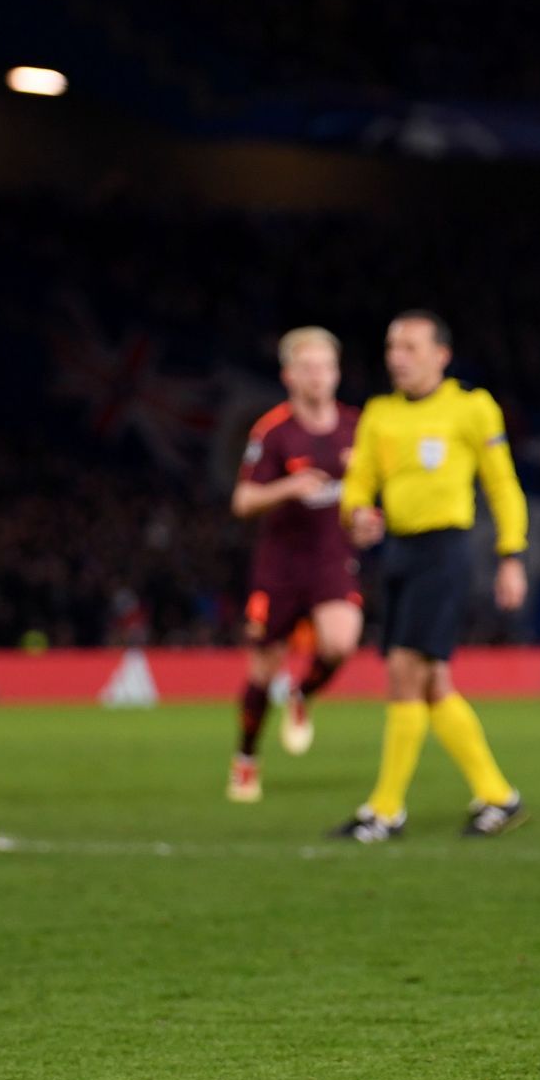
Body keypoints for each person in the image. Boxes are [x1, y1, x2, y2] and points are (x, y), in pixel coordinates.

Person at [330, 311, 529, 842]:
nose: (398, 356)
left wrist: (512, 555)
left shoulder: (472, 407)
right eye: (393, 346)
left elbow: (503, 484)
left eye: (411, 346)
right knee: (432, 681)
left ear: (441, 355)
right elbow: (357, 486)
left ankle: (385, 809)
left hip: (445, 551)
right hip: (397, 552)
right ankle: (498, 796)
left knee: (403, 672)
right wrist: (358, 516)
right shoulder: (378, 414)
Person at [226, 327, 362, 803]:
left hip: (331, 559)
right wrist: (289, 487)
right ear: (288, 375)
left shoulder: (356, 426)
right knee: (262, 670)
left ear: (337, 372)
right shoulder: (274, 431)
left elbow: (369, 491)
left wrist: (369, 518)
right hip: (279, 566)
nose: (318, 376)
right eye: (307, 367)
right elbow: (242, 500)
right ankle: (246, 758)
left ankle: (302, 694)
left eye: (326, 366)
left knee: (341, 643)